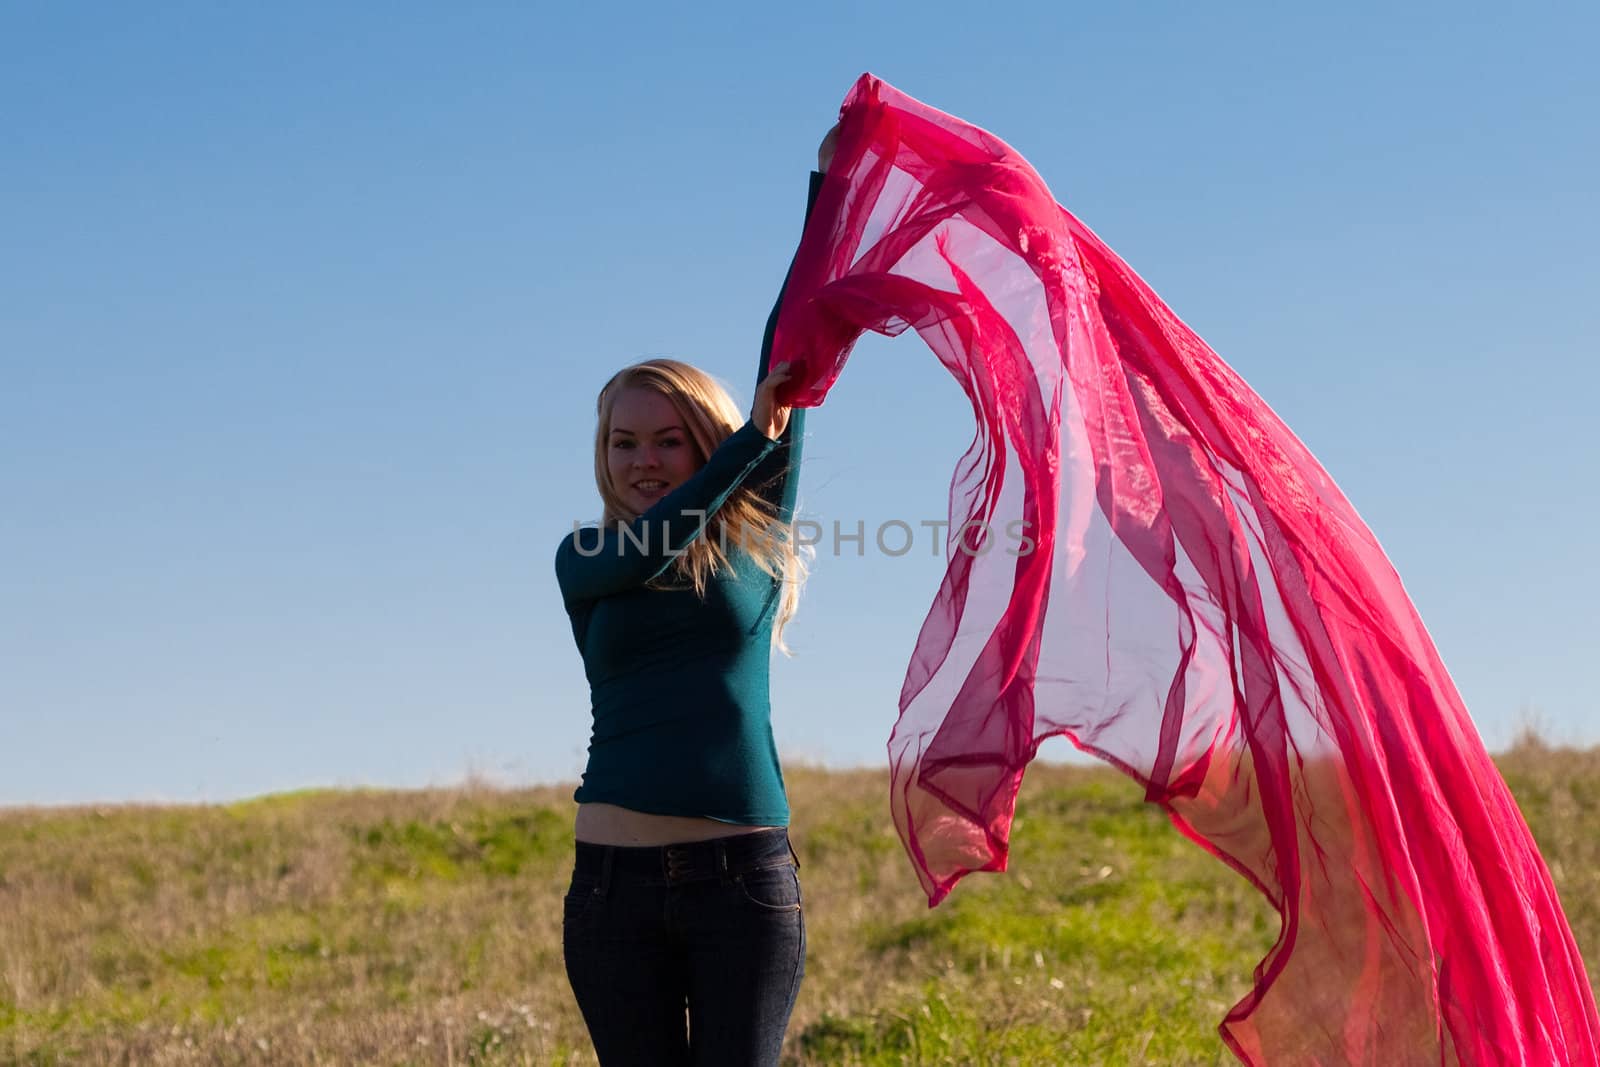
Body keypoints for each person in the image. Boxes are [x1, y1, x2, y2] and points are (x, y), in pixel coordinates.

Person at [554, 130, 834, 1066]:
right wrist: (743, 441)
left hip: (742, 886)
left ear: (702, 442)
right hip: (611, 892)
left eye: (669, 440)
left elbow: (791, 346)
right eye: (624, 442)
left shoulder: (756, 530)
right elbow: (663, 533)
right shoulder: (588, 556)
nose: (642, 460)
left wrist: (828, 186)